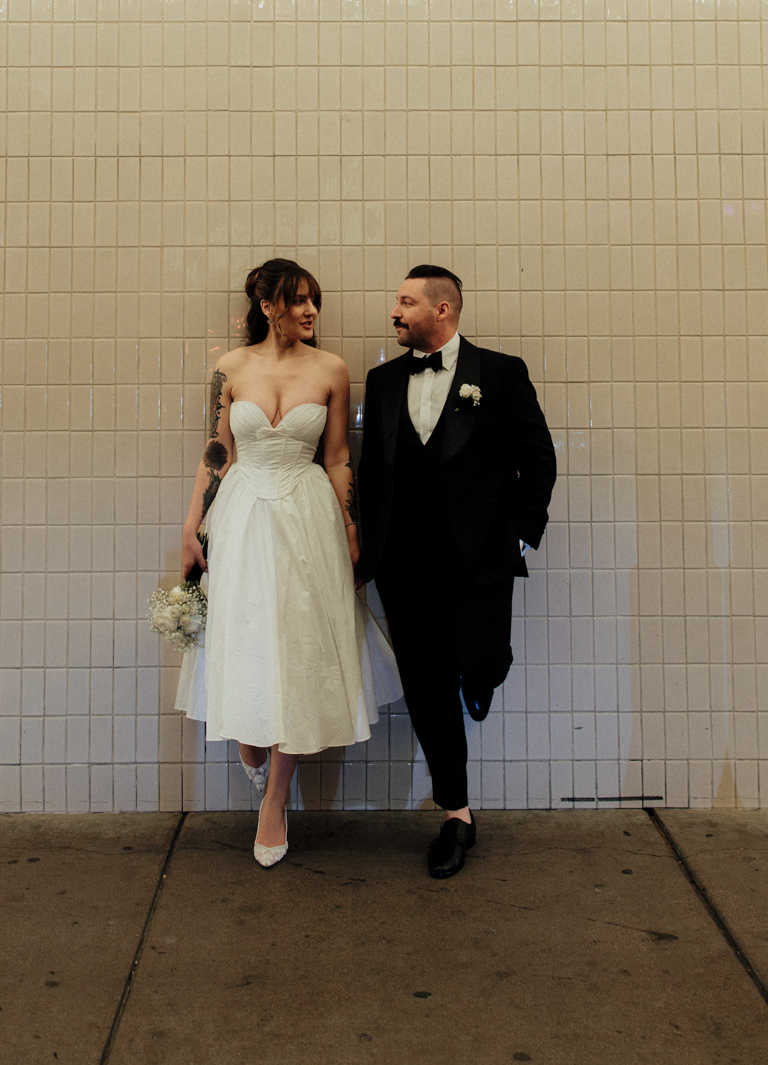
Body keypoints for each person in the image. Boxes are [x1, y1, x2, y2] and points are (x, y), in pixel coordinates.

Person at [174, 258, 400, 868]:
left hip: (307, 517)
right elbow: (218, 449)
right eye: (297, 301)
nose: (309, 312)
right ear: (268, 305)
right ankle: (252, 748)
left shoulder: (331, 369)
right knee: (247, 638)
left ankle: (275, 802)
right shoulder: (230, 368)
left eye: (314, 303)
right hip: (244, 514)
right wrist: (194, 522)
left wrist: (350, 529)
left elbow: (336, 459)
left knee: (300, 650)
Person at [356, 265, 556, 880]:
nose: (395, 311)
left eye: (406, 302)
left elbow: (538, 461)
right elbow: (370, 472)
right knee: (427, 689)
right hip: (405, 569)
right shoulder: (384, 380)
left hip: (479, 564)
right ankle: (456, 815)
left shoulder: (500, 373)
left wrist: (517, 540)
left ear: (442, 310)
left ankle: (480, 674)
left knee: (483, 660)